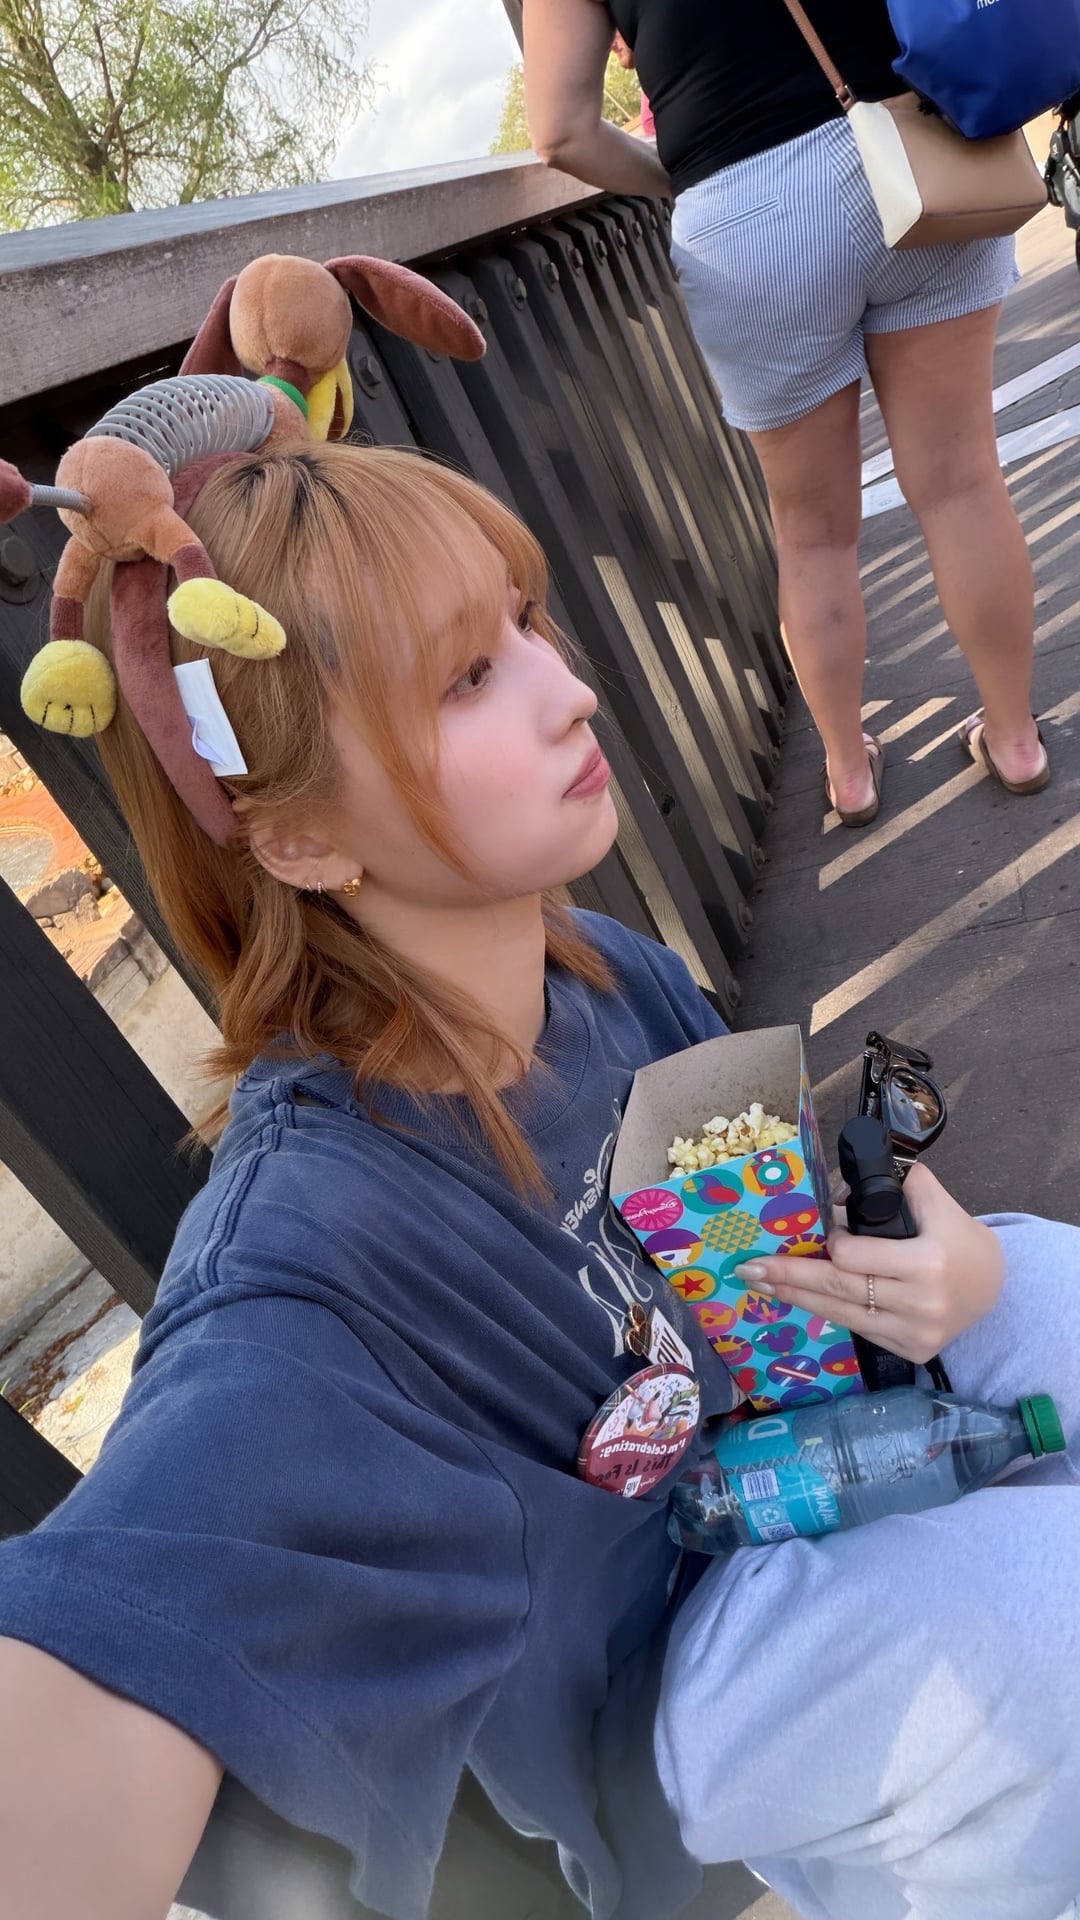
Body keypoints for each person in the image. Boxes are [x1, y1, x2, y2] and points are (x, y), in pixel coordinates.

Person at [0, 438, 1077, 1920]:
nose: (569, 689)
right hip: (666, 1678)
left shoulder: (601, 970)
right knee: (1039, 1623)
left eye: (524, 624)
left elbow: (752, 1233)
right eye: (464, 678)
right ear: (297, 836)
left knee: (1047, 1284)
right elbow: (153, 1586)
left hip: (784, 1437)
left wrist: (926, 1260)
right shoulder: (314, 1251)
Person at [523, 0, 1051, 827]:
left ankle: (850, 773)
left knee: (812, 532)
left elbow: (562, 133)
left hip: (744, 209)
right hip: (915, 142)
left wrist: (683, 174)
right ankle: (1016, 741)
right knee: (961, 484)